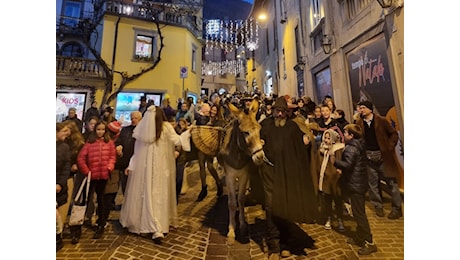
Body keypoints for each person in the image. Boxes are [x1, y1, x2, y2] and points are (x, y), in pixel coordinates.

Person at [120, 106, 189, 244]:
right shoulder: (166, 127)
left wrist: (132, 165)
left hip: (148, 169)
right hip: (159, 169)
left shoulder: (146, 128)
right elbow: (178, 141)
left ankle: (147, 224)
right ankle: (155, 225)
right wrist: (188, 133)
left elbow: (136, 151)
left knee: (146, 195)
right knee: (157, 196)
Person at [259, 97, 318, 259]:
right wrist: (260, 143)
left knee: (285, 209)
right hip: (270, 174)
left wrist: (305, 141)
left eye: (282, 111)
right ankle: (274, 246)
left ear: (286, 112)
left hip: (287, 175)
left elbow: (300, 146)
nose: (279, 114)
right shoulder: (265, 126)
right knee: (271, 208)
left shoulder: (292, 127)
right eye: (277, 111)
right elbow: (254, 143)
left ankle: (285, 244)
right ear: (273, 111)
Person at [330, 124, 378, 255]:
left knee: (359, 214)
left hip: (355, 184)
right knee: (358, 212)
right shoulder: (359, 144)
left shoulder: (351, 147)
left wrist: (334, 161)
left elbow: (348, 164)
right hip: (359, 182)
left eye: (345, 133)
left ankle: (369, 242)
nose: (343, 135)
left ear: (351, 135)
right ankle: (360, 237)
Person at [357, 100, 403, 219]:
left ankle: (397, 208)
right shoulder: (360, 122)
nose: (361, 110)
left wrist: (389, 147)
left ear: (369, 109)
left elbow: (393, 134)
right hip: (368, 157)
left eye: (363, 108)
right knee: (373, 183)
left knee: (391, 183)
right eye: (360, 108)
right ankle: (378, 206)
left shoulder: (381, 120)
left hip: (383, 157)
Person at [77, 121, 117, 239]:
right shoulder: (89, 143)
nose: (100, 132)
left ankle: (101, 223)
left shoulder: (109, 143)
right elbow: (81, 158)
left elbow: (112, 156)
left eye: (102, 130)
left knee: (101, 200)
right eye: (98, 130)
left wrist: (109, 167)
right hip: (92, 176)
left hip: (103, 175)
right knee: (87, 199)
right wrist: (87, 171)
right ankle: (80, 222)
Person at [59, 120, 86, 244]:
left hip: (73, 175)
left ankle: (71, 228)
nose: (65, 132)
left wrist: (76, 164)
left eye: (67, 130)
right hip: (62, 175)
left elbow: (80, 157)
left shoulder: (77, 143)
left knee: (72, 202)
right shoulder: (61, 143)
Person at [194, 103, 223, 201]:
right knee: (201, 166)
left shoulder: (218, 122)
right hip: (202, 144)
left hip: (210, 146)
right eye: (212, 110)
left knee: (210, 166)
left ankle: (218, 182)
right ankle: (203, 188)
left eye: (215, 111)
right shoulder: (205, 118)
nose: (212, 112)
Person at [317, 129, 345, 231]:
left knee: (338, 201)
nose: (327, 140)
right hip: (325, 179)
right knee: (327, 201)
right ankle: (328, 218)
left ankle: (340, 219)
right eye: (325, 137)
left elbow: (339, 163)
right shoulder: (321, 149)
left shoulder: (338, 149)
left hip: (335, 179)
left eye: (329, 138)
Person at [115, 111, 142, 195]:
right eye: (132, 118)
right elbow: (119, 141)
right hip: (125, 160)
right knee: (125, 185)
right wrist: (119, 146)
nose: (133, 120)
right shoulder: (125, 130)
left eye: (136, 118)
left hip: (137, 162)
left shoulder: (143, 131)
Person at [56, 122, 71, 252]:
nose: (66, 134)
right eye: (63, 131)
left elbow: (66, 167)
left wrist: (59, 183)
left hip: (58, 187)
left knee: (58, 215)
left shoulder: (65, 147)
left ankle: (57, 239)